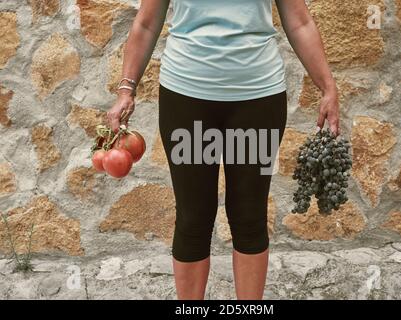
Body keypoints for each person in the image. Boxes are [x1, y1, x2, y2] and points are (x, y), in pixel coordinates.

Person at [107, 0, 339, 300]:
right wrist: (126, 89)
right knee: (193, 218)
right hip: (187, 99)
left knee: (249, 216)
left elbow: (299, 22)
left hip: (257, 99)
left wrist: (328, 87)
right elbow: (146, 23)